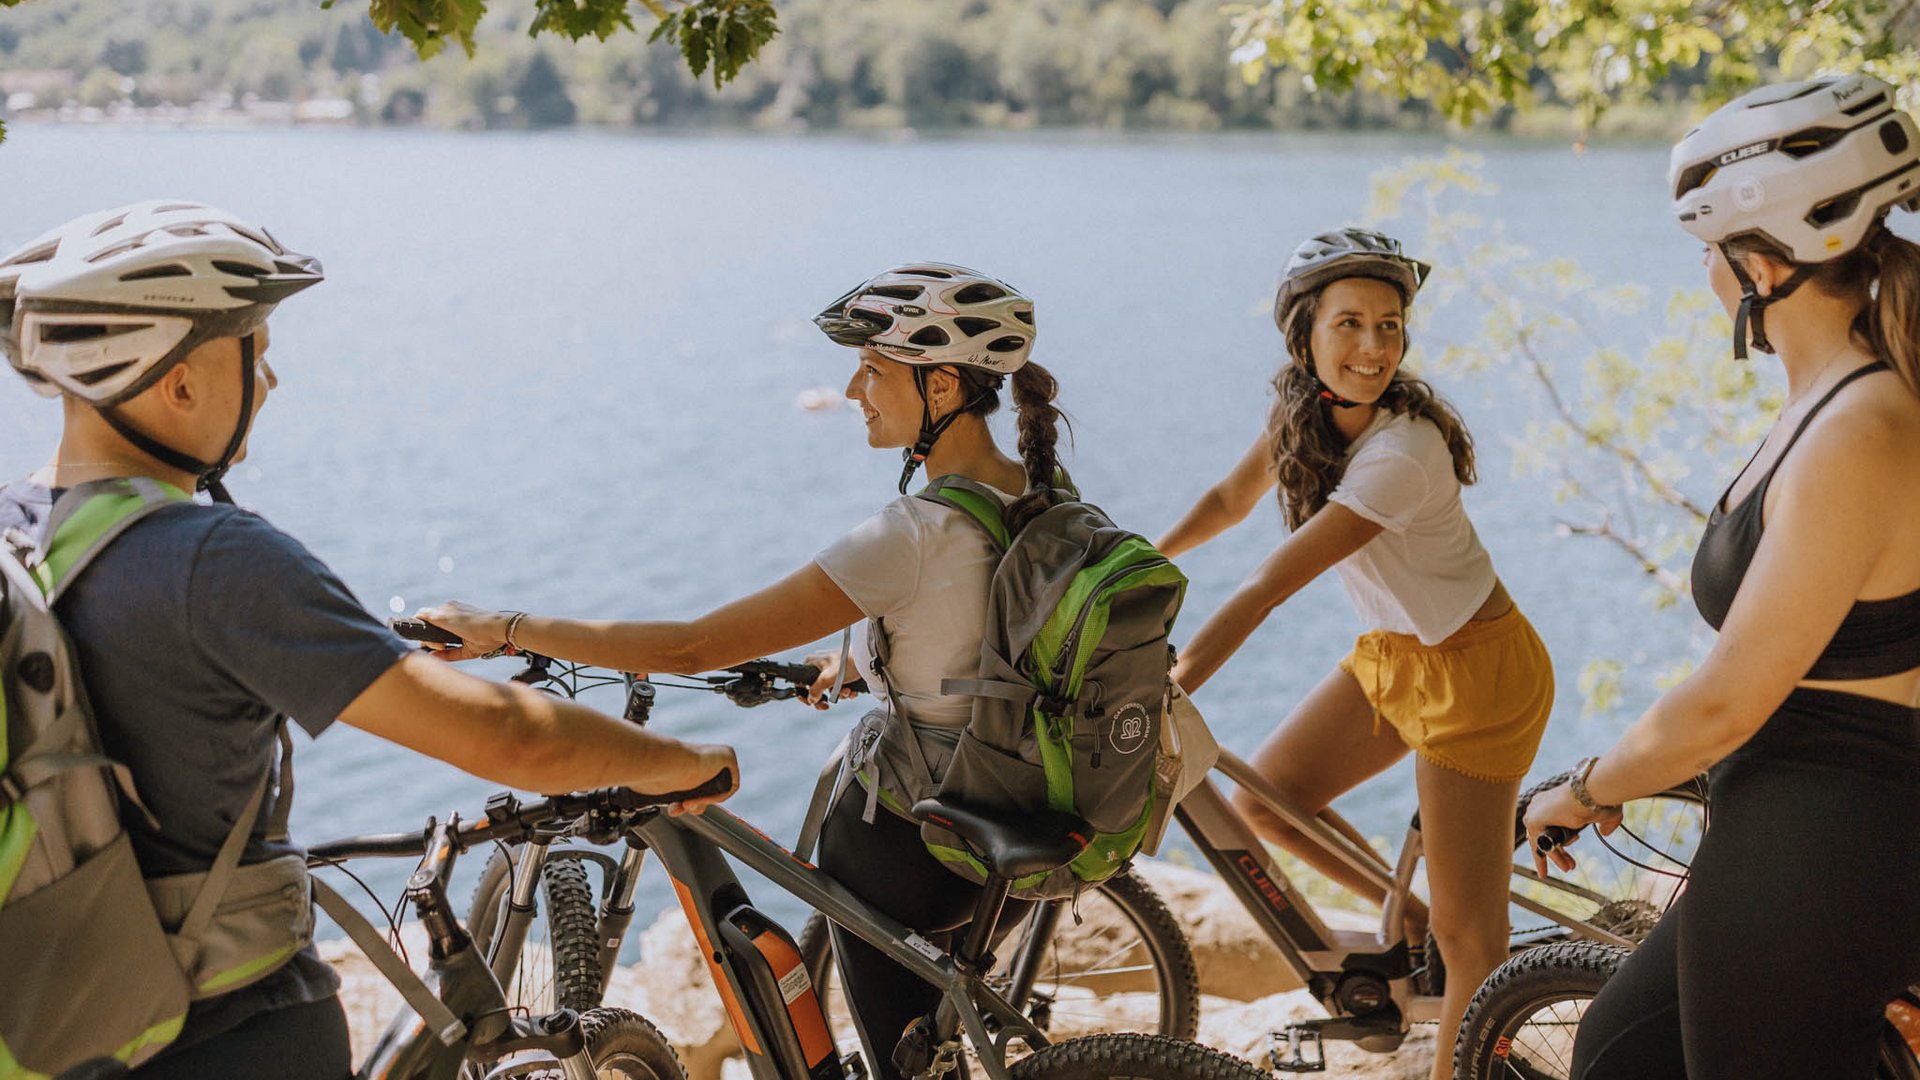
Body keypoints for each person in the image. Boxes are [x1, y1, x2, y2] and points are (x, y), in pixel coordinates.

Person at [0, 200, 738, 1080]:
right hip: (233, 1031)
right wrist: (682, 761)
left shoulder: (15, 537)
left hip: (57, 1023)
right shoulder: (212, 559)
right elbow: (505, 736)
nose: (270, 384)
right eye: (257, 356)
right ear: (180, 382)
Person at [416, 262, 1069, 1080]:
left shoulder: (912, 533)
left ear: (941, 387)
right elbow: (992, 643)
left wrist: (503, 629)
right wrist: (867, 664)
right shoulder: (1048, 498)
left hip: (912, 855)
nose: (853, 387)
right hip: (1028, 815)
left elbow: (690, 647)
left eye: (873, 369)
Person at [1525, 74, 1920, 1080]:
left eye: (1706, 248)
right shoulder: (1831, 400)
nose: (1701, 269)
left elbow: (1731, 695)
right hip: (1789, 818)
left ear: (1760, 261)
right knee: (1621, 1056)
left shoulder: (1862, 429)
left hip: (1829, 843)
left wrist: (1589, 786)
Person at [1158, 227, 1554, 1079]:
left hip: (1476, 676)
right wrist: (1136, 568)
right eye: (1349, 325)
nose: (1373, 347)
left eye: (1389, 326)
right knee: (1272, 799)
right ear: (1304, 336)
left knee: (1470, 935)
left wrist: (1174, 682)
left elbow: (1268, 584)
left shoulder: (1402, 454)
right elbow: (1230, 498)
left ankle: (1465, 1058)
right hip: (1397, 656)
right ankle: (1405, 919)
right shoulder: (1309, 413)